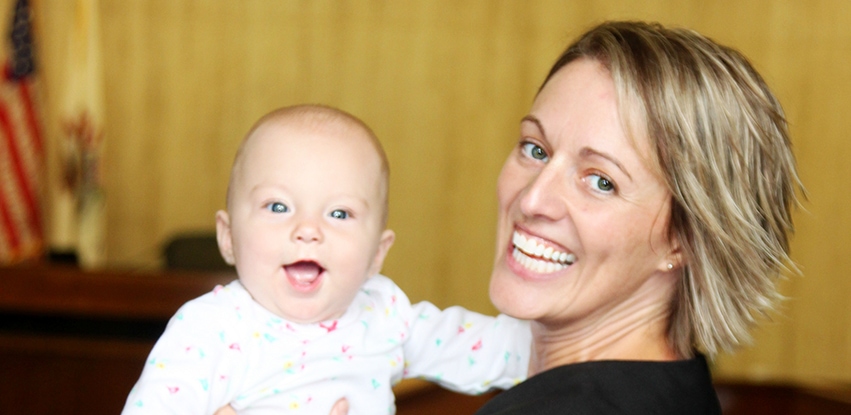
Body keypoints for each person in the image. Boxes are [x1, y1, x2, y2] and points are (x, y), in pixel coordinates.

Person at [472, 21, 801, 414]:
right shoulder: (677, 386)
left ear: (683, 238)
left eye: (601, 182)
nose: (532, 199)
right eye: (536, 149)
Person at [121, 105, 531, 415]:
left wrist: (580, 337)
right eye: (278, 206)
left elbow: (491, 349)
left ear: (376, 254)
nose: (308, 229)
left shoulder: (384, 314)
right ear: (228, 238)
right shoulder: (211, 329)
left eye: (339, 214)